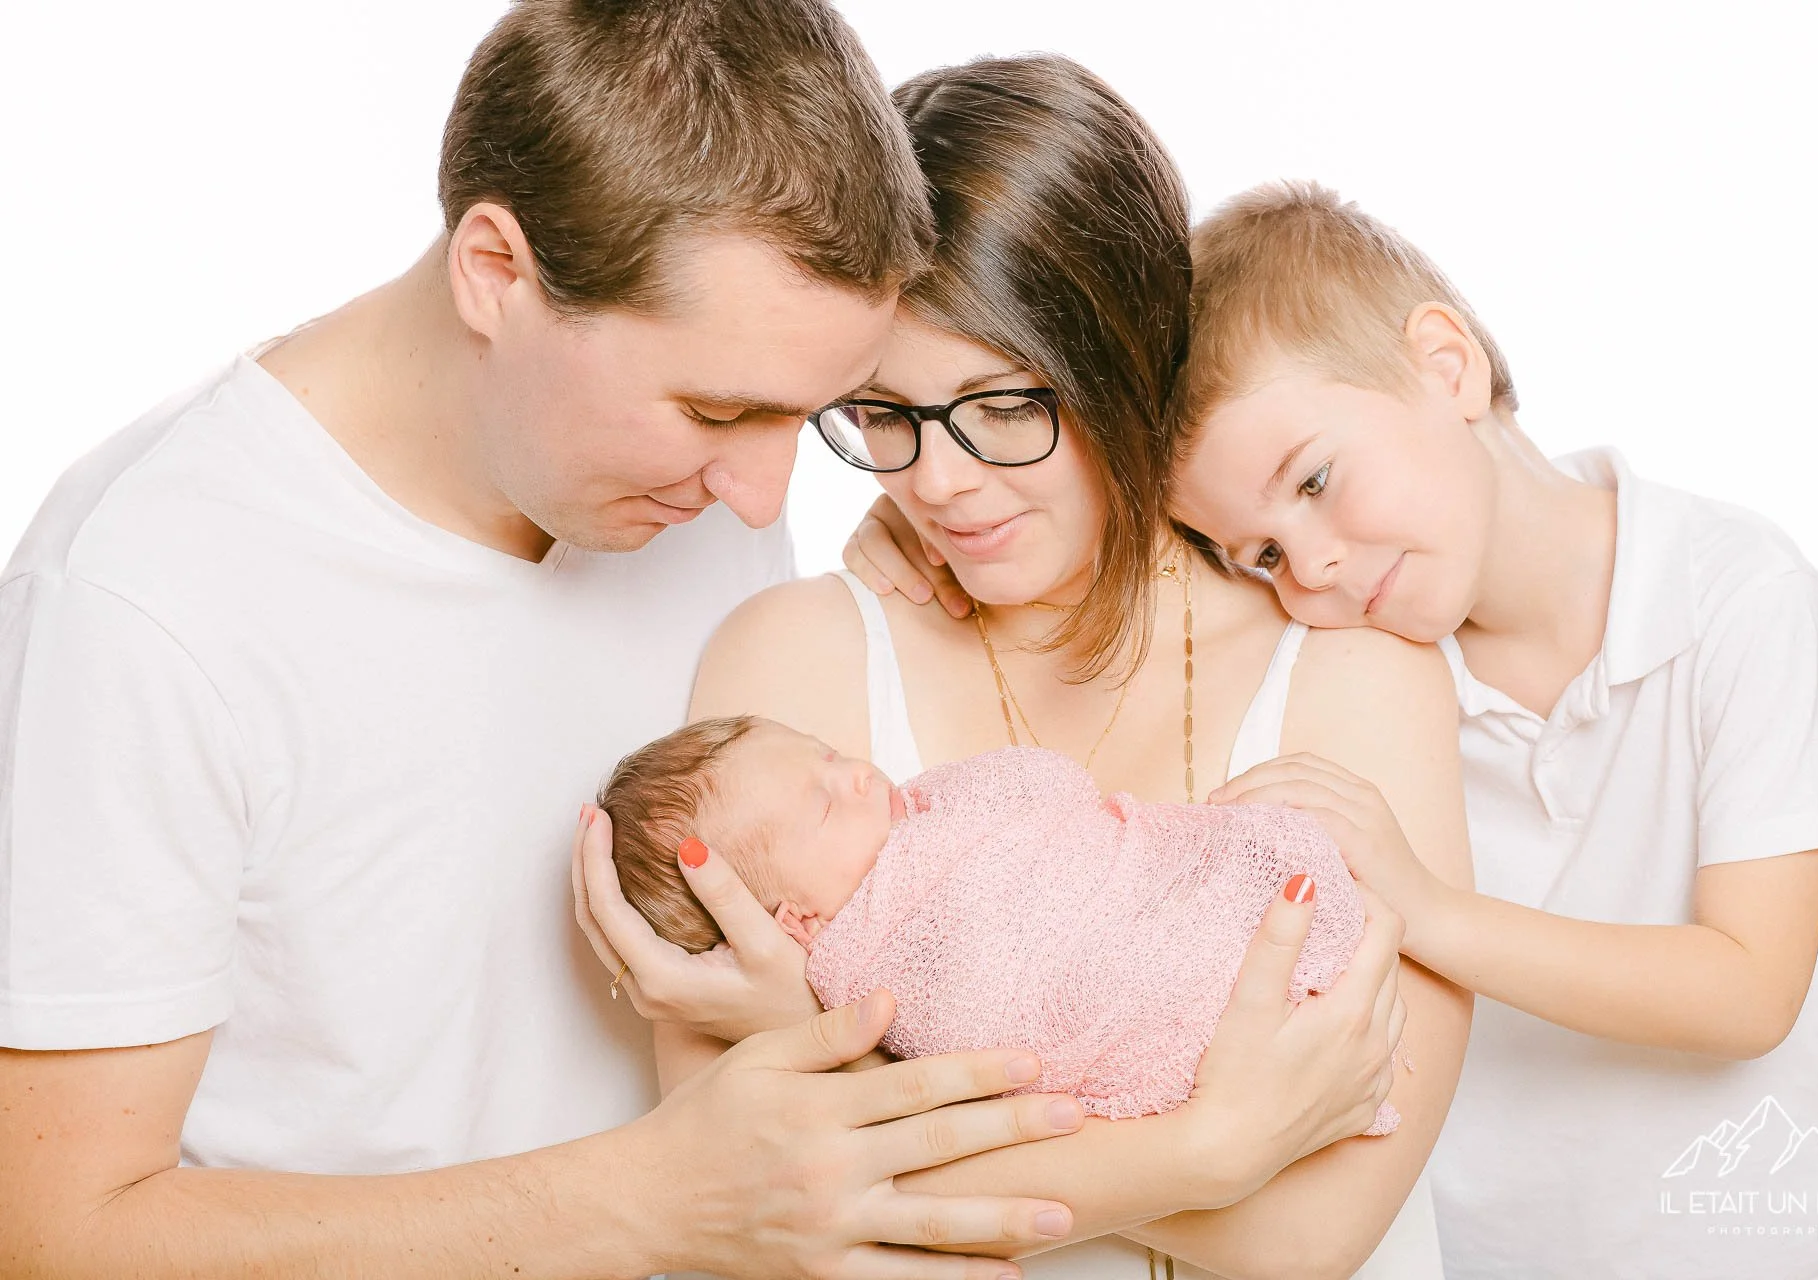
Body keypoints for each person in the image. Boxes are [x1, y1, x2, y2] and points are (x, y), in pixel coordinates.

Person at [0, 4, 1123, 1276]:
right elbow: (52, 1230)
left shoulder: (687, 490)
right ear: (496, 270)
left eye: (804, 418)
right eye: (715, 408)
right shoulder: (142, 601)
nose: (764, 499)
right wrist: (642, 1199)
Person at [580, 54, 1475, 1280]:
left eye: (1004, 405)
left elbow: (1314, 1234)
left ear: (1127, 359)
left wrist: (841, 1072)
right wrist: (1205, 1152)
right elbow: (752, 1200)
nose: (936, 481)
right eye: (883, 412)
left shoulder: (1351, 671)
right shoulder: (794, 667)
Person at [1163, 182, 1818, 1277]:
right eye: (1263, 554)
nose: (1312, 564)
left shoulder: (1739, 597)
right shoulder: (1364, 677)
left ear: (1447, 365)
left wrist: (1426, 907)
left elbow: (1748, 988)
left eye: (1316, 481)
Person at [597, 716, 1400, 1132]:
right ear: (797, 919)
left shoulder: (927, 819)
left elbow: (1049, 793)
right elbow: (980, 1014)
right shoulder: (874, 964)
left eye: (829, 755)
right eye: (821, 802)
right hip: (1124, 997)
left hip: (1160, 901)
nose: (854, 775)